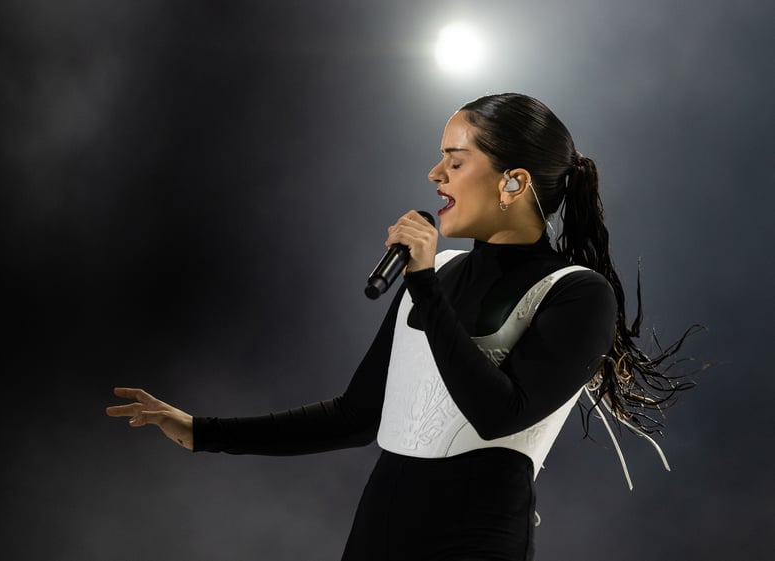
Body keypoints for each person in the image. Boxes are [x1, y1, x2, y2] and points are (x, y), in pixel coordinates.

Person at [106, 93, 695, 561]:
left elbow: (498, 414)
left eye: (456, 160)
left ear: (513, 182)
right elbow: (356, 415)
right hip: (377, 532)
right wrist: (200, 432)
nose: (435, 172)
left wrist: (424, 288)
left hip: (476, 539)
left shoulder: (576, 294)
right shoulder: (436, 273)